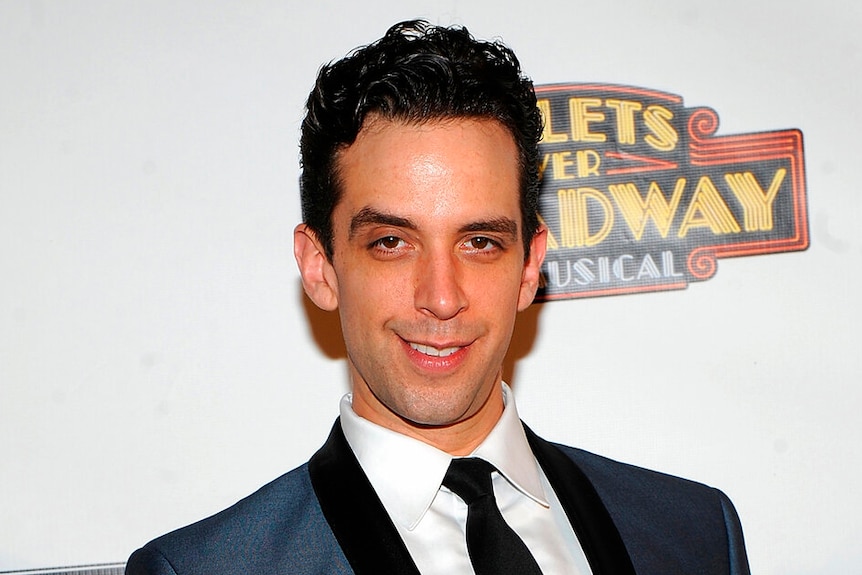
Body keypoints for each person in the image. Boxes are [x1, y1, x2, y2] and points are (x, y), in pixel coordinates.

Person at [126, 20, 751, 575]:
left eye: (479, 241)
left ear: (531, 266)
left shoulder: (692, 533)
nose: (442, 298)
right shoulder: (207, 567)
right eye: (392, 241)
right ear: (321, 267)